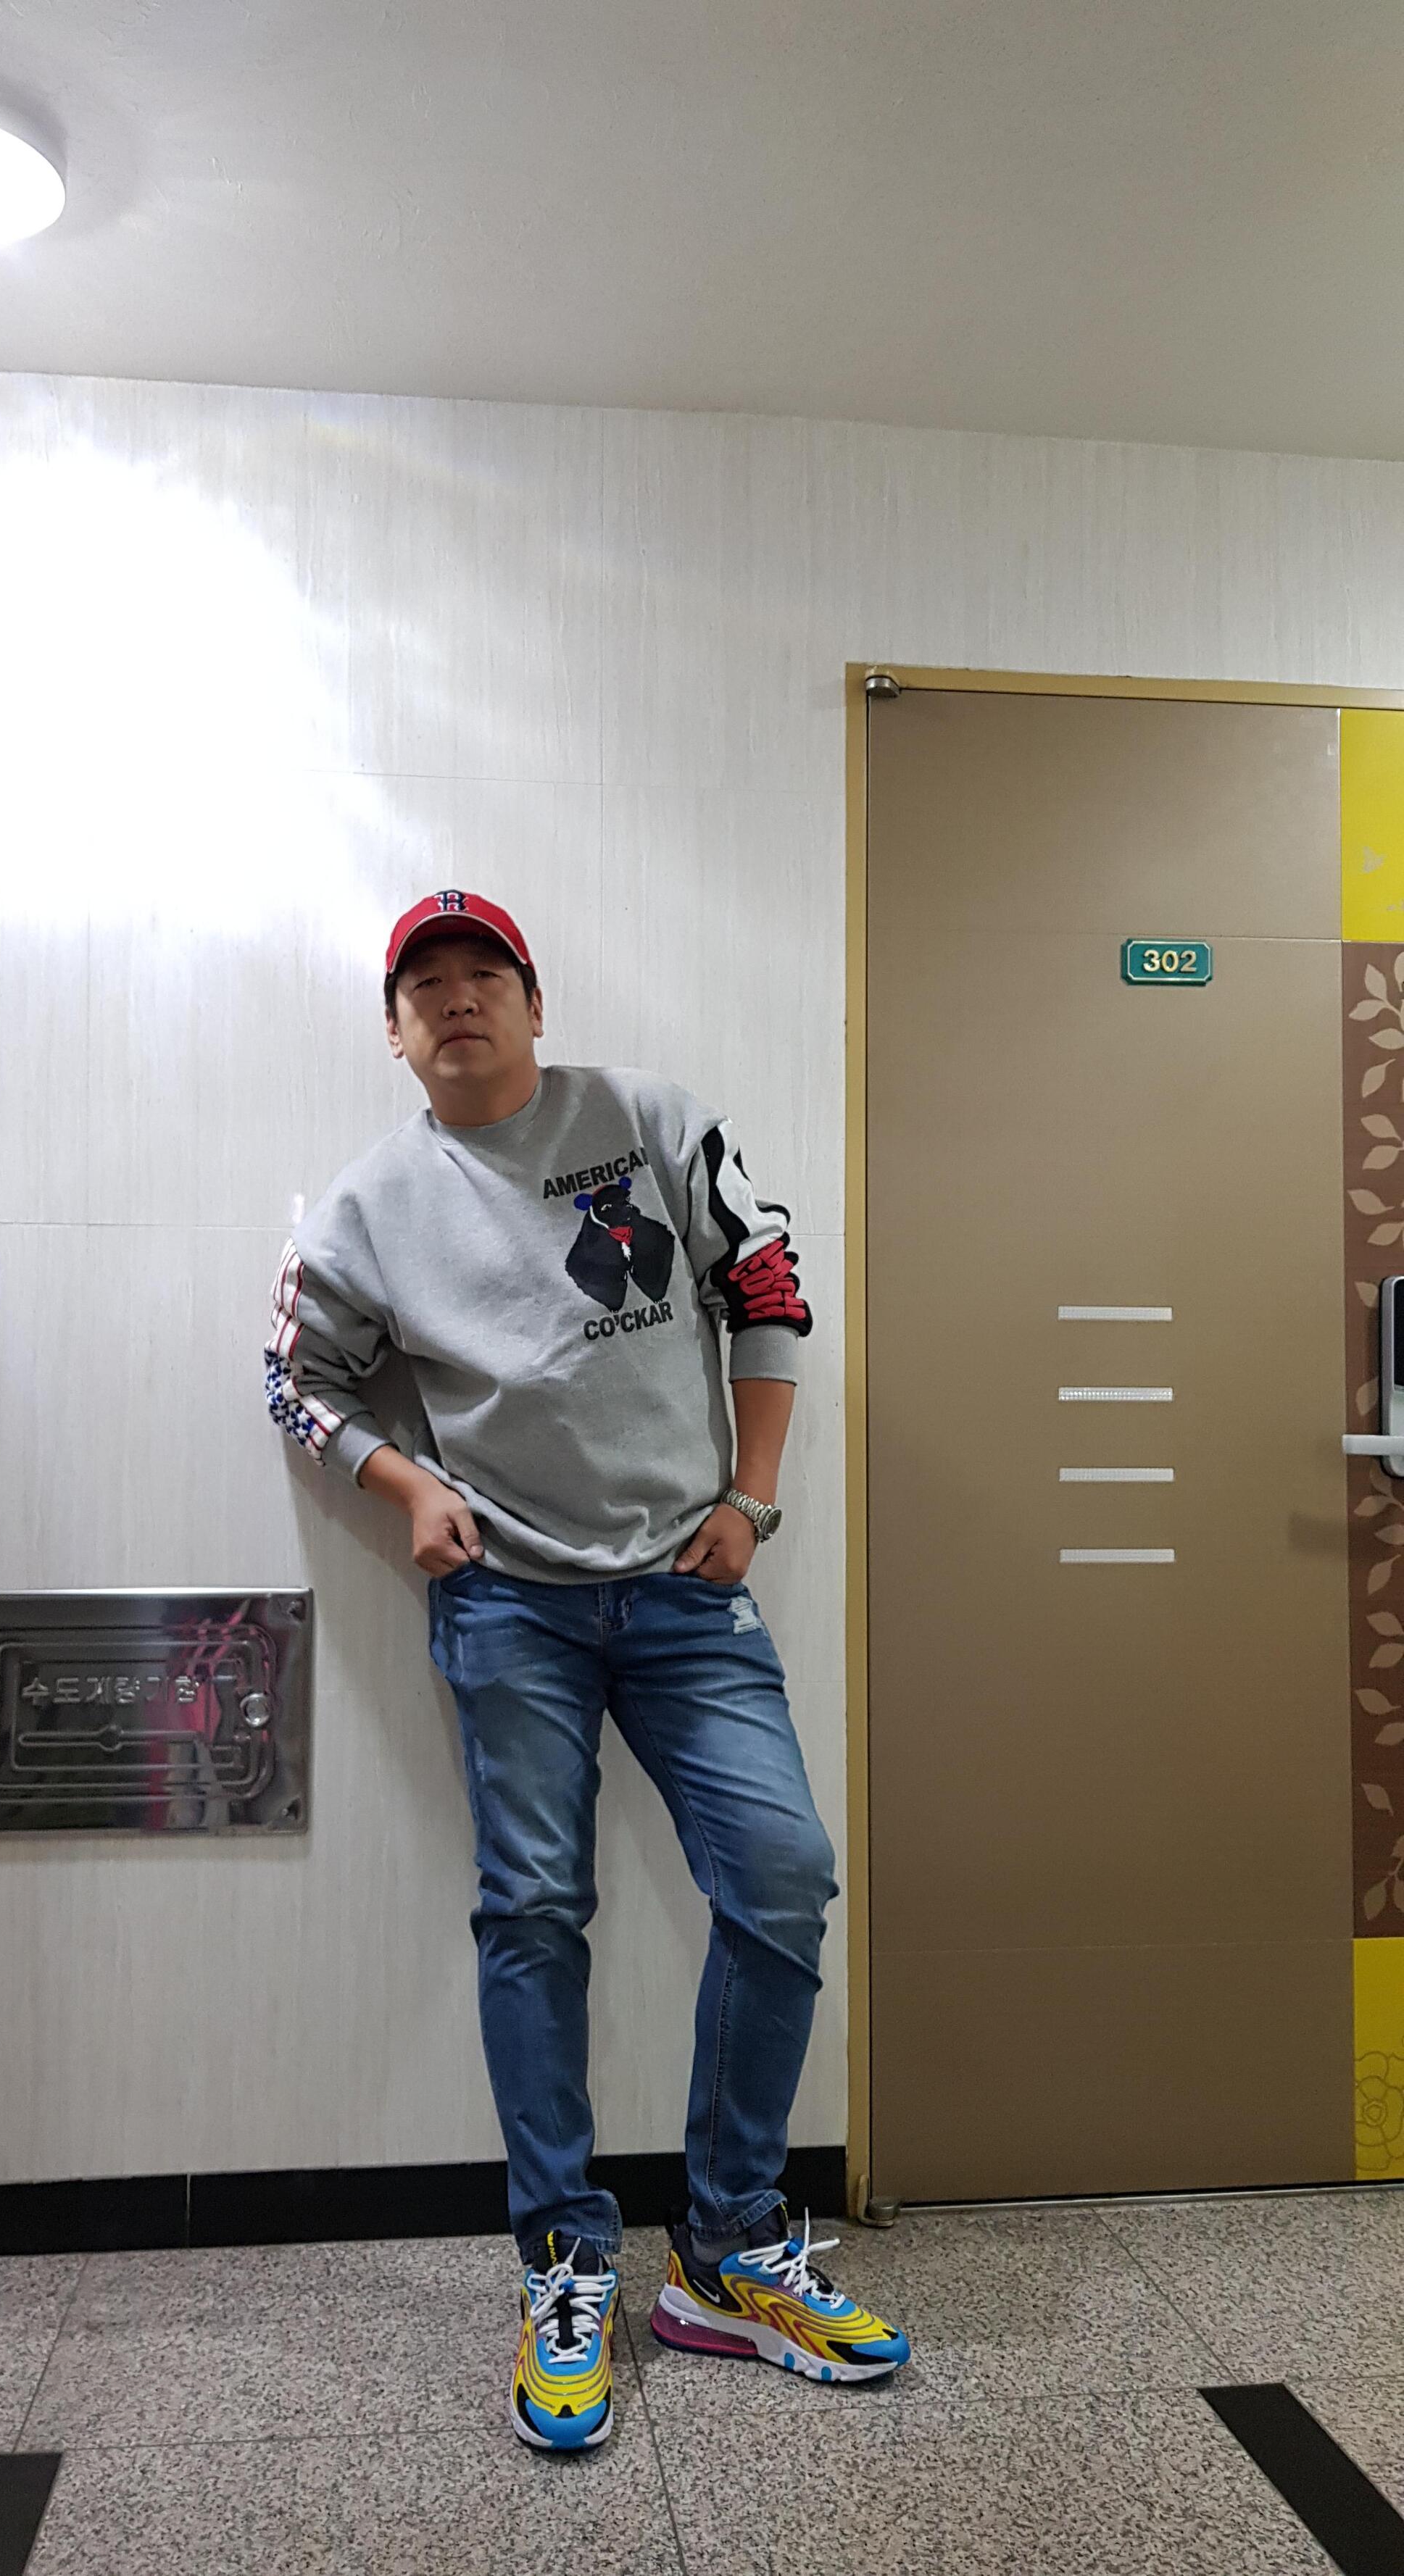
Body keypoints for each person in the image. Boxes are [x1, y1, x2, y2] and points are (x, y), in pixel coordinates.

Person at [263, 888, 910, 2449]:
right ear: (395, 1030)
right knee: (534, 1912)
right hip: (509, 1605)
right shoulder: (367, 1206)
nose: (457, 998)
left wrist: (753, 1499)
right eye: (426, 984)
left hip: (687, 1587)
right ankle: (564, 2257)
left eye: (484, 972)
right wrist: (403, 1485)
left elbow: (768, 1291)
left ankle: (728, 2247)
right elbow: (293, 1378)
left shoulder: (649, 1121)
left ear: (534, 1002)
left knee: (784, 1876)